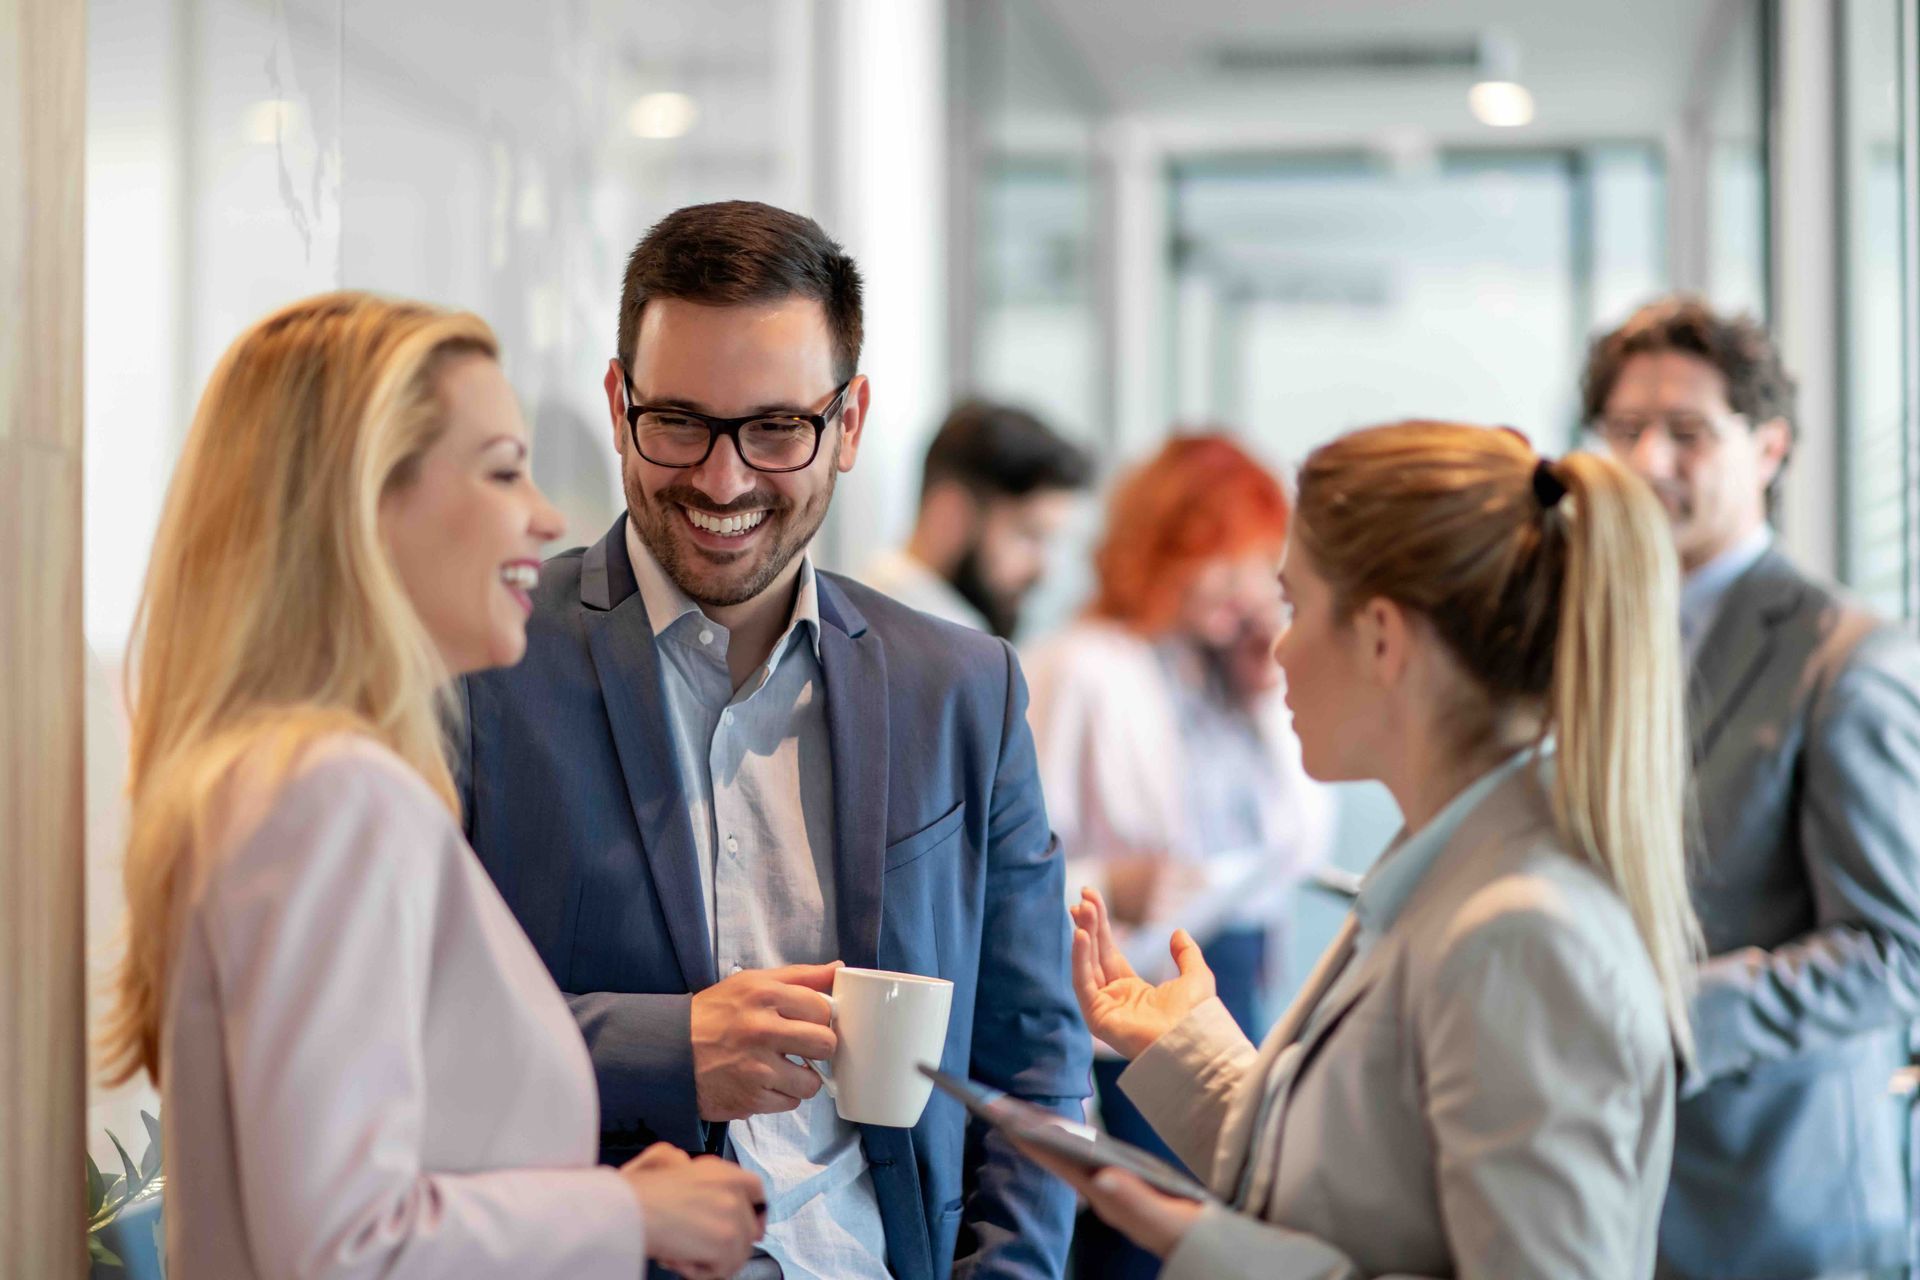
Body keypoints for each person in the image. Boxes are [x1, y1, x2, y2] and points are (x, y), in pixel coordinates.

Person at [457, 201, 1090, 1280]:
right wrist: (670, 1048)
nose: (723, 479)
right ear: (619, 406)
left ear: (847, 424)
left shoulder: (961, 688)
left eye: (776, 429)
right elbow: (411, 1036)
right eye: (680, 423)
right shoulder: (483, 666)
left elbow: (1035, 1063)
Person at [97, 292, 767, 1279]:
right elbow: (343, 1244)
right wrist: (626, 1209)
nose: (547, 516)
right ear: (363, 500)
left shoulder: (273, 776)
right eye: (503, 470)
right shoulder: (333, 794)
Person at [1020, 421, 1700, 1279]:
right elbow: (1361, 1176)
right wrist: (1181, 1049)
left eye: (1295, 606)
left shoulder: (1524, 935)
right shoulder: (1446, 873)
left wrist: (1213, 1251)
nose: (1274, 644)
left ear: (1382, 637)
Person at [1585, 296, 1920, 1280]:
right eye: (1625, 430)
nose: (1649, 461)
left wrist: (1668, 1011)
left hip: (1776, 1210)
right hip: (1602, 1194)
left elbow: (1896, 952)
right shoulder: (1580, 643)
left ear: (1769, 447)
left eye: (1688, 432)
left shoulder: (1844, 658)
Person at [1022, 434, 1331, 1277]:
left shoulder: (1223, 673)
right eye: (1226, 569)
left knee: (1221, 1234)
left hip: (1227, 991)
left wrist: (1266, 688)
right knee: (1141, 1242)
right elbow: (1010, 867)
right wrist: (1108, 884)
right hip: (1117, 1014)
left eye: (1256, 570)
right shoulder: (1082, 666)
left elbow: (1299, 841)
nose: (1244, 595)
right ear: (1168, 551)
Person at [859, 398, 1092, 638]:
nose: (1043, 570)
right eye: (1029, 534)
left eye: (1051, 542)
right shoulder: (927, 646)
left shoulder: (873, 616)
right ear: (949, 514)